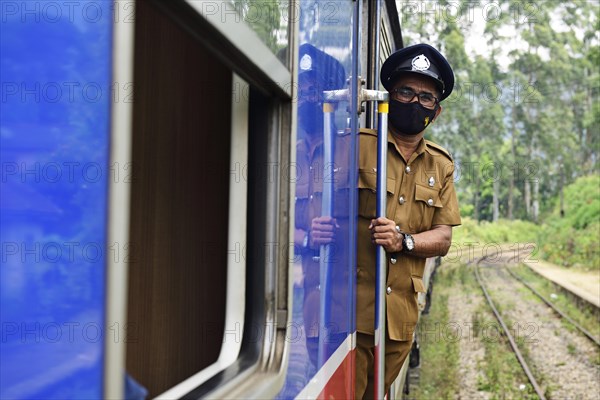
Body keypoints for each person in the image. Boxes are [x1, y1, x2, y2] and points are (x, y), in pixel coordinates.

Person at [355, 43, 461, 399]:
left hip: (398, 321)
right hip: (346, 316)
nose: (415, 103)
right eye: (406, 92)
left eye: (426, 98)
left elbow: (443, 238)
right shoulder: (355, 146)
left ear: (437, 111)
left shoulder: (441, 166)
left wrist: (405, 241)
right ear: (389, 96)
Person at [293, 43, 351, 372]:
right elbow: (268, 222)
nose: (305, 99)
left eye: (313, 90)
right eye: (299, 91)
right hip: (307, 309)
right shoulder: (287, 153)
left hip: (350, 311)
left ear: (330, 96)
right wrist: (305, 238)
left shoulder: (355, 148)